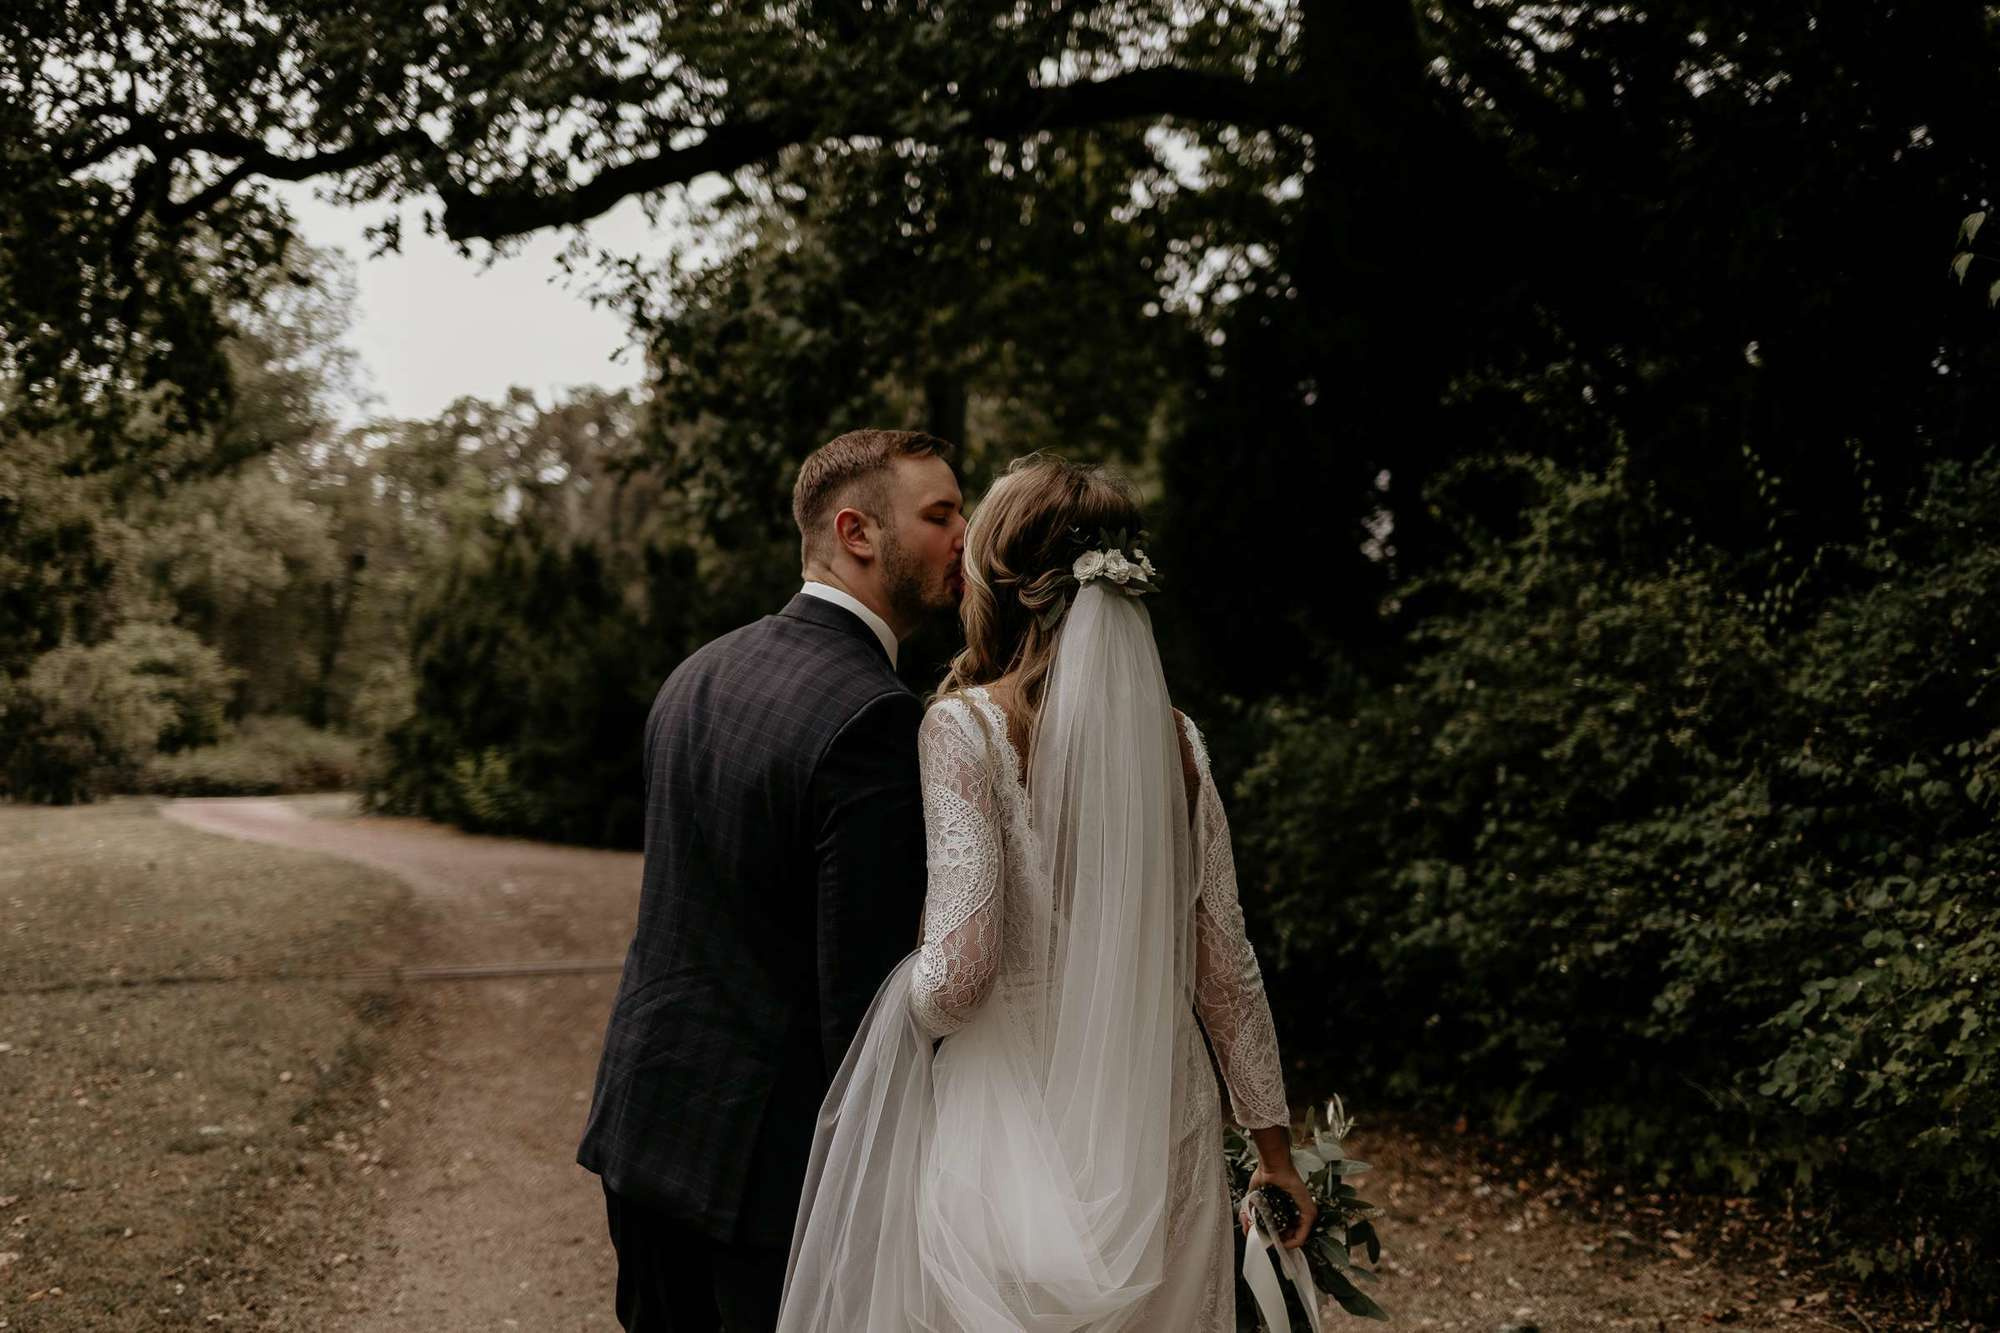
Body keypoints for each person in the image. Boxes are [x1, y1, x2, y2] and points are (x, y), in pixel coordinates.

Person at [777, 455, 1315, 1332]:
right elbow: (1228, 966)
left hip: (1016, 1123)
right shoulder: (1181, 744)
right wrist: (1275, 1152)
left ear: (1001, 580)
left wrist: (903, 988)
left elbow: (960, 978)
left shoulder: (965, 728)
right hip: (1161, 1118)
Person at [576, 428, 967, 1332]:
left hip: (644, 1123)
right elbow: (862, 1008)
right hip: (760, 1181)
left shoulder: (696, 672)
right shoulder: (875, 718)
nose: (965, 537)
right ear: (857, 532)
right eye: (941, 515)